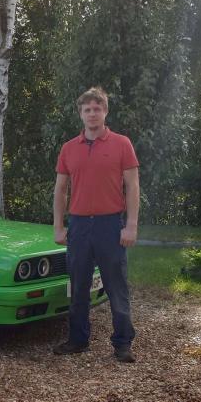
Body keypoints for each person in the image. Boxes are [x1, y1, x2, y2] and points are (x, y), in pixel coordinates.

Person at [52, 87, 139, 362]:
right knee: (78, 286)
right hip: (78, 226)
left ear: (105, 112)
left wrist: (131, 225)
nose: (92, 113)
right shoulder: (68, 148)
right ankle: (78, 340)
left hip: (110, 225)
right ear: (81, 114)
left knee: (116, 285)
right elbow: (60, 190)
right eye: (87, 109)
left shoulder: (122, 144)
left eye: (97, 108)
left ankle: (122, 343)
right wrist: (58, 226)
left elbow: (133, 186)